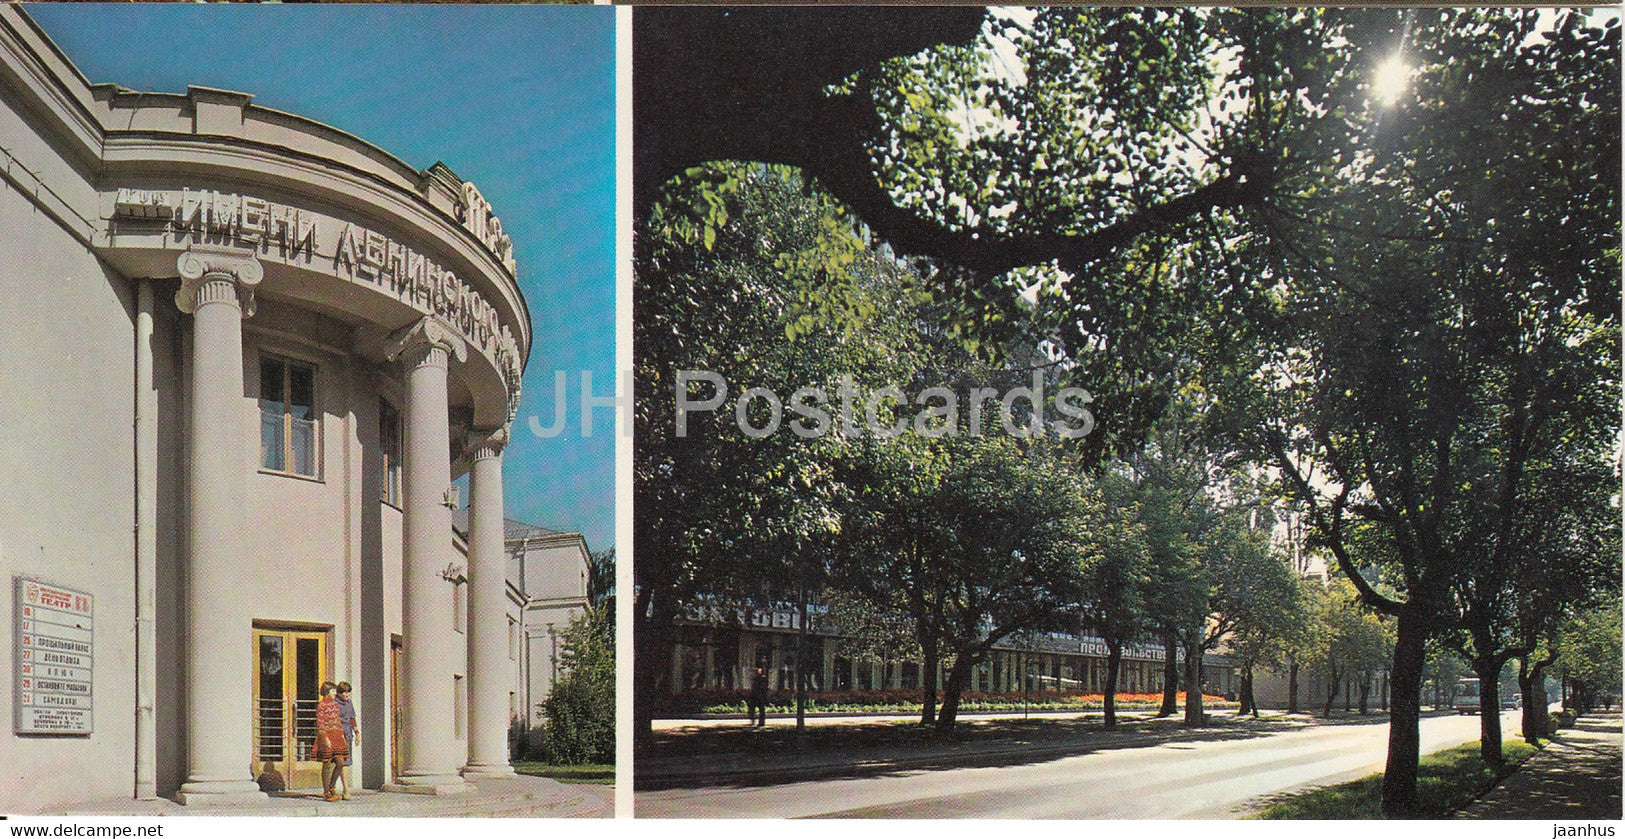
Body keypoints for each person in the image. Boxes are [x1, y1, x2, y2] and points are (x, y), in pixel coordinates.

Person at [313, 681, 348, 801]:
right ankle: (326, 791)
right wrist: (325, 738)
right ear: (326, 692)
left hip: (337, 735)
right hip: (326, 736)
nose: (335, 693)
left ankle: (332, 786)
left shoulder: (335, 705)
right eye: (333, 691)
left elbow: (337, 721)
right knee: (327, 764)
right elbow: (320, 723)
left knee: (340, 762)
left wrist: (342, 735)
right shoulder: (322, 705)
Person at [335, 681, 360, 800]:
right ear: (339, 693)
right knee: (339, 762)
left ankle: (340, 788)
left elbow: (352, 719)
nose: (347, 695)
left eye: (348, 693)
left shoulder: (349, 703)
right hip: (337, 736)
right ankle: (339, 788)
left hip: (348, 735)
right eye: (345, 692)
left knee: (345, 762)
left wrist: (357, 733)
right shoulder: (334, 703)